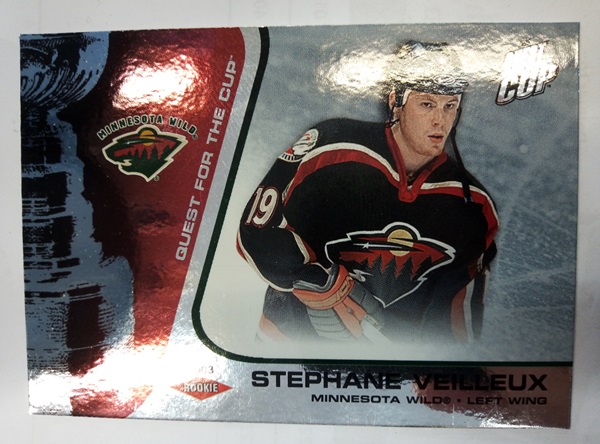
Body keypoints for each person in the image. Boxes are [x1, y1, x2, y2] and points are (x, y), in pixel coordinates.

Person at [237, 40, 499, 344]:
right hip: (289, 345)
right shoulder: (331, 147)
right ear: (396, 101)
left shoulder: (474, 206)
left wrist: (435, 363)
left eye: (449, 106)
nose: (440, 120)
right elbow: (256, 228)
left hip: (388, 364)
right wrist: (313, 278)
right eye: (427, 104)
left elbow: (455, 320)